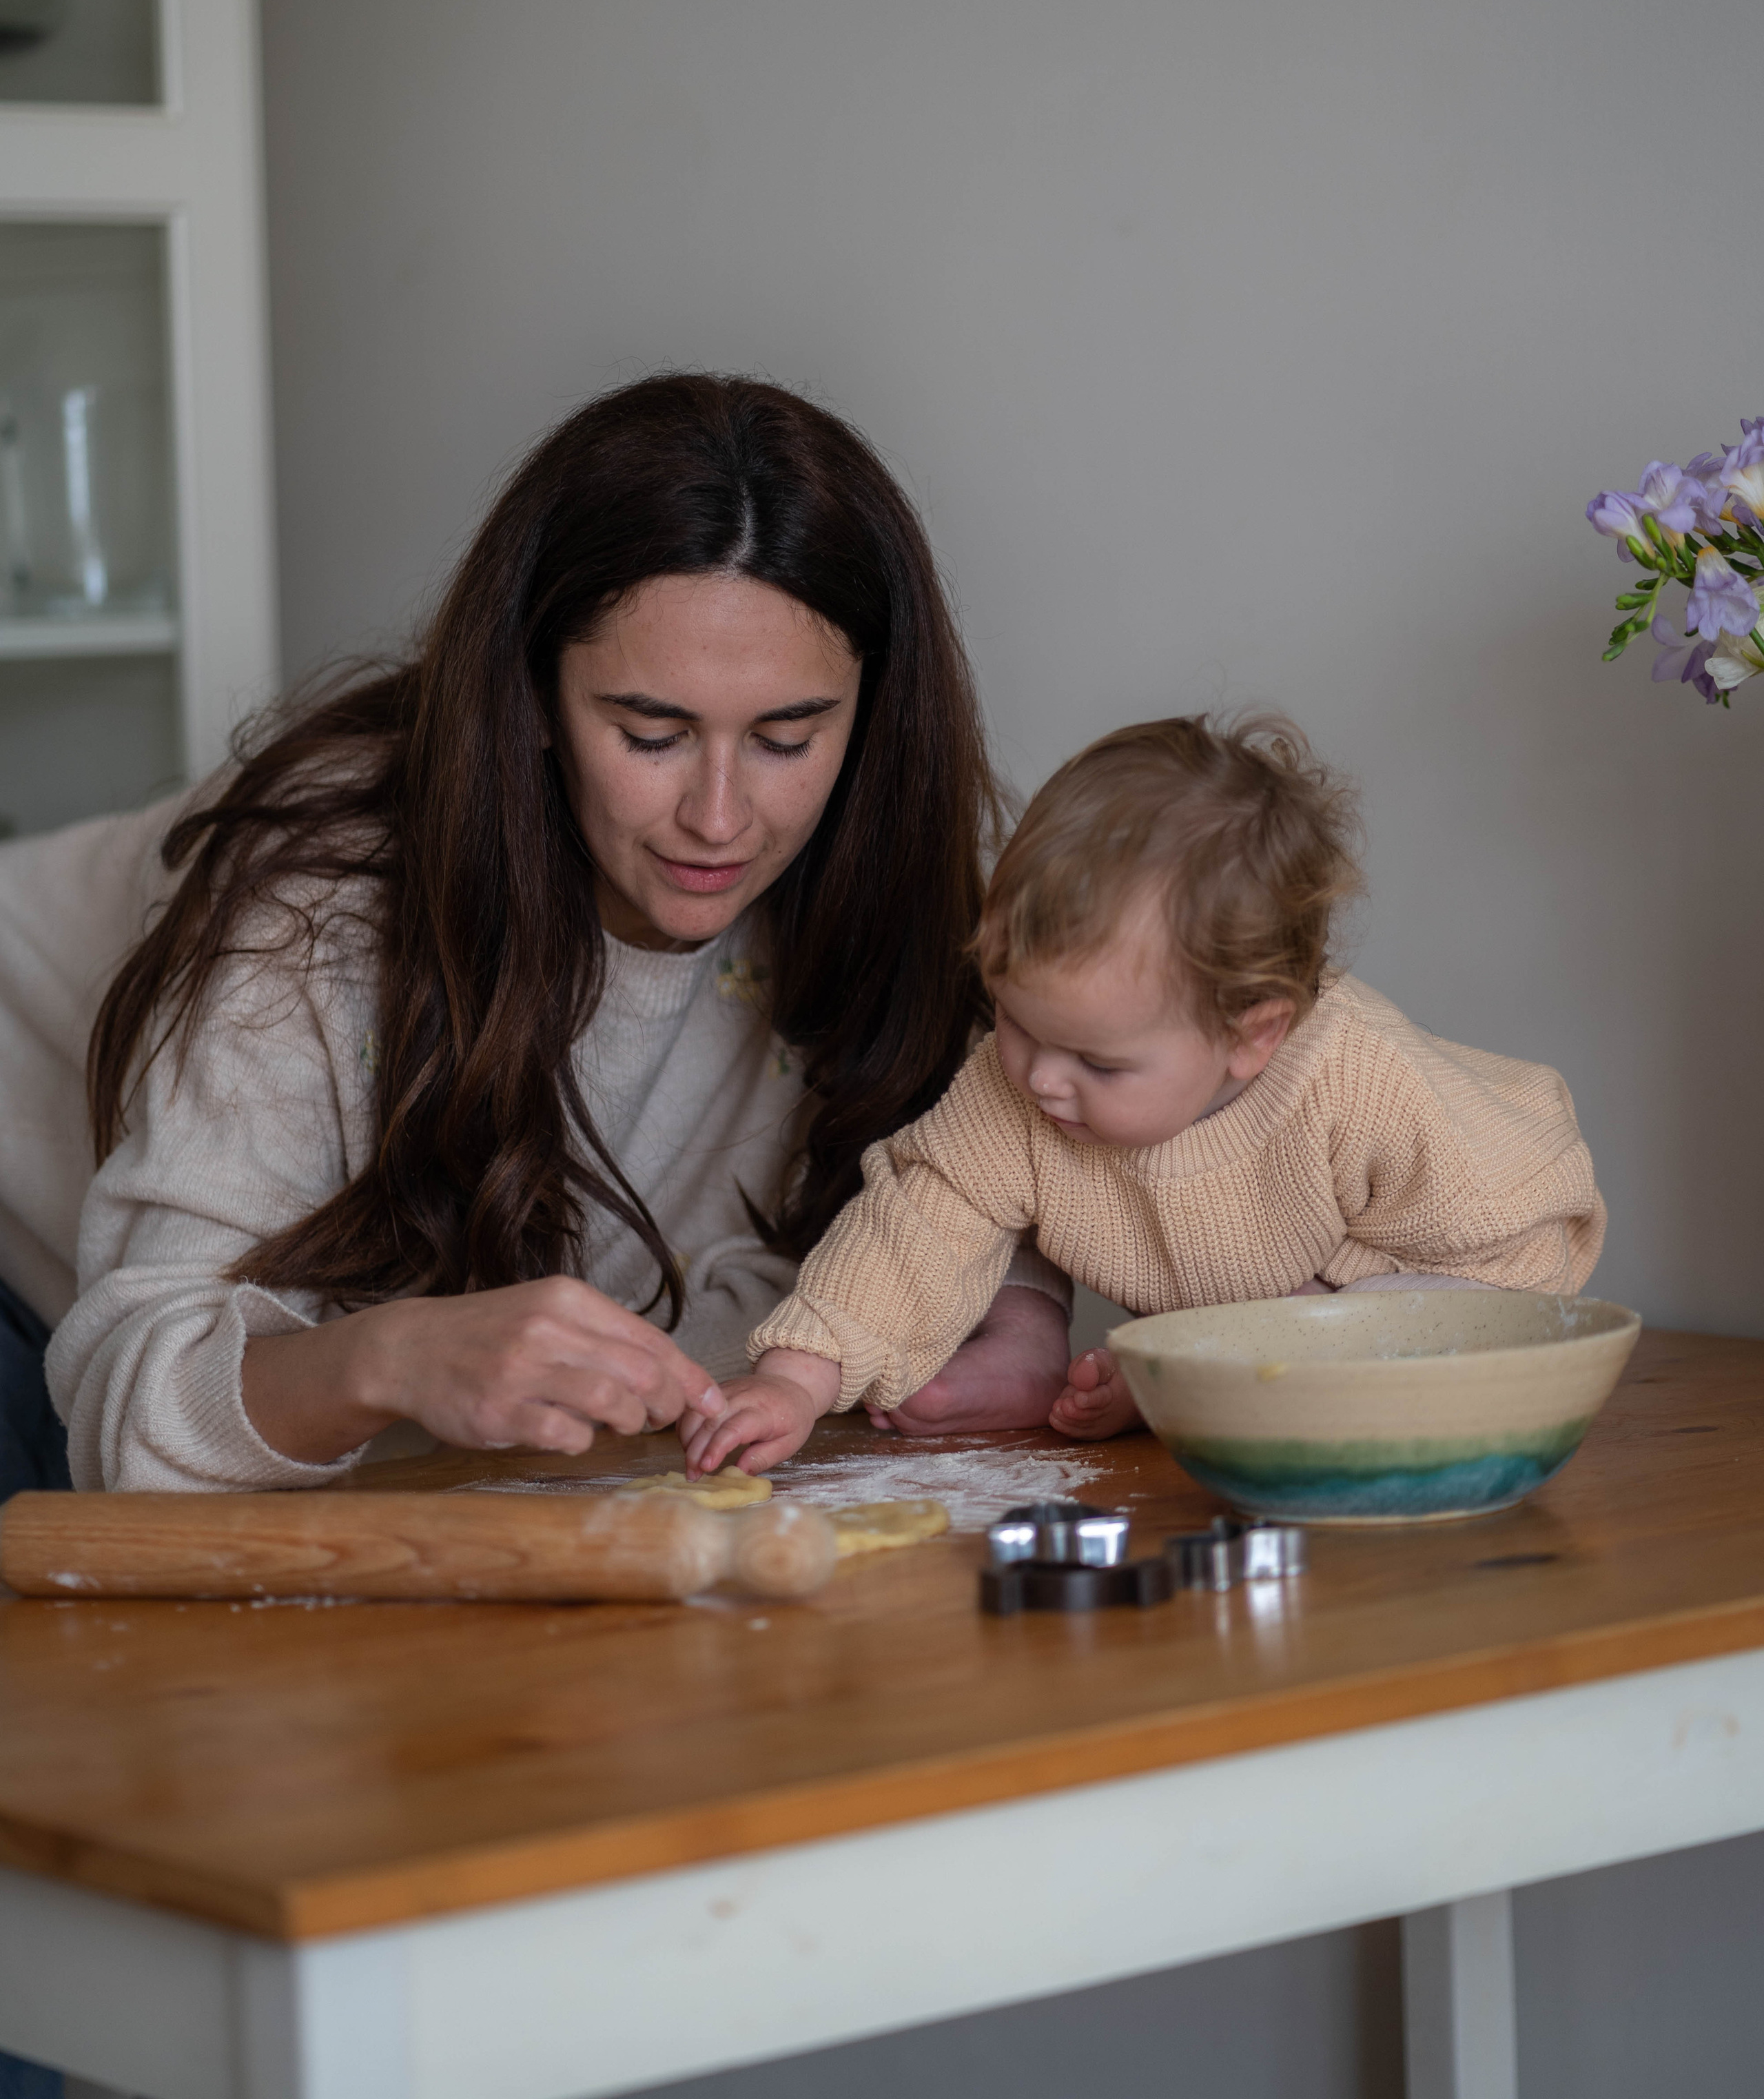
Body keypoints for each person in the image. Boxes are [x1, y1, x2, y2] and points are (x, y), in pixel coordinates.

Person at [28, 374, 1071, 1494]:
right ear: (528, 695)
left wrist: (1019, 1303)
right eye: (651, 733)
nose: (720, 820)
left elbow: (989, 1160)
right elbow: (126, 1421)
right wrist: (389, 1357)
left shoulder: (894, 871)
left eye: (785, 738)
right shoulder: (320, 899)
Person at [683, 713, 1607, 1475]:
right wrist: (797, 1379)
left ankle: (1192, 1373)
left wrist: (1295, 1320)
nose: (1041, 1076)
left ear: (1254, 1035)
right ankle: (1181, 1378)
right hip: (1233, 1377)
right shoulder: (1020, 1093)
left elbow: (1523, 1242)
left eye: (1099, 1063)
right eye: (1014, 1021)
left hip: (1423, 1350)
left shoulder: (1359, 1083)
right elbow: (917, 1225)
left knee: (1438, 1317)